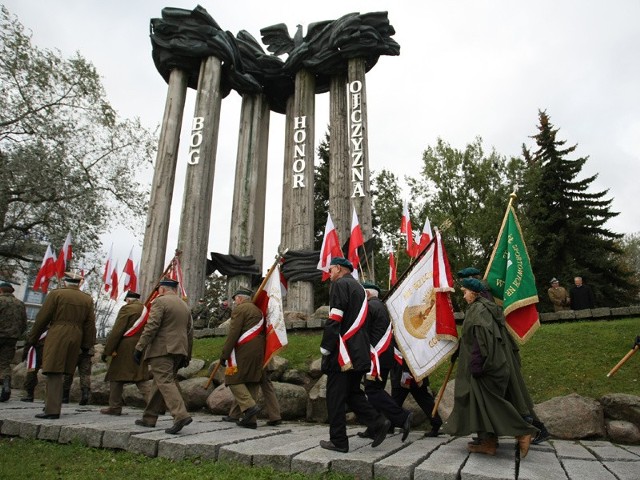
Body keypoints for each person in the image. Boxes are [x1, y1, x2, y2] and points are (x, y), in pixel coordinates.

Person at [443, 278, 537, 457]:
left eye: (465, 292)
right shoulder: (483, 307)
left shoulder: (479, 309)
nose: (464, 296)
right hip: (488, 363)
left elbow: (481, 338)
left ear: (474, 292)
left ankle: (522, 432)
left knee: (490, 404)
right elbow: (473, 336)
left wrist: (477, 364)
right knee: (480, 405)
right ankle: (488, 442)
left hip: (484, 366)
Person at [319, 257, 391, 453]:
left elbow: (335, 317)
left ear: (340, 268)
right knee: (352, 393)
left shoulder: (340, 285)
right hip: (358, 350)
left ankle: (339, 441)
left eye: (331, 269)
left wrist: (326, 345)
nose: (329, 273)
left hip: (343, 352)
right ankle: (377, 422)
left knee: (335, 396)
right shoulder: (359, 287)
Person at [26, 272, 96, 419]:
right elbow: (90, 325)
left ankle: (52, 409)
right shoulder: (87, 299)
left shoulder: (56, 294)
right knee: (64, 371)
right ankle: (53, 403)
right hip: (77, 335)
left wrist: (32, 338)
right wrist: (87, 344)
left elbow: (42, 318)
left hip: (58, 332)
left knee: (53, 370)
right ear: (78, 284)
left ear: (66, 282)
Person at [133, 278, 193, 434]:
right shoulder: (184, 305)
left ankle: (180, 415)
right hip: (179, 350)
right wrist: (188, 354)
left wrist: (140, 347)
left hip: (162, 349)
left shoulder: (160, 302)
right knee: (159, 384)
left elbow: (151, 326)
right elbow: (189, 332)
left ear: (162, 289)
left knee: (164, 381)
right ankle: (149, 417)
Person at [357, 282, 413, 442]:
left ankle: (403, 417)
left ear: (367, 294)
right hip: (386, 355)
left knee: (372, 390)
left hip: (376, 356)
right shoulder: (381, 306)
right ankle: (374, 427)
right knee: (377, 390)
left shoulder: (369, 307)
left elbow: (363, 332)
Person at [220, 287, 265, 429]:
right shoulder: (257, 310)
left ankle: (250, 407)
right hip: (258, 349)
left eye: (235, 299)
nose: (234, 302)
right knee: (251, 380)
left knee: (233, 379)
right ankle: (251, 421)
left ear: (239, 298)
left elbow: (233, 333)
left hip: (244, 349)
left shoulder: (240, 310)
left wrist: (224, 354)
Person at [100, 291, 151, 415]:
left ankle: (115, 406)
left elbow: (117, 330)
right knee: (140, 378)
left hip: (125, 346)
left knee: (116, 376)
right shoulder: (145, 309)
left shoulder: (127, 309)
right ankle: (155, 405)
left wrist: (108, 350)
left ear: (128, 299)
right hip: (141, 345)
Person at [390, 352, 443, 438]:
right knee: (423, 398)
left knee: (396, 401)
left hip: (405, 366)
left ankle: (389, 424)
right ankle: (436, 423)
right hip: (414, 365)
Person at [0, 281, 27, 402]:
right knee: (5, 364)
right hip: (12, 338)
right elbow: (24, 324)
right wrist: (16, 335)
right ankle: (6, 385)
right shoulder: (20, 304)